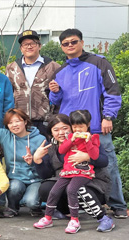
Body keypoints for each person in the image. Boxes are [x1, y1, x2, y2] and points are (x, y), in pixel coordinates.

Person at [49, 28, 127, 218]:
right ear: (61, 47)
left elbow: (113, 91)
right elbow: (55, 102)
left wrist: (108, 116)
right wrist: (55, 92)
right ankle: (73, 205)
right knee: (70, 167)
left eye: (74, 42)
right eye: (66, 43)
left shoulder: (99, 63)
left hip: (96, 129)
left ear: (82, 43)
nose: (70, 46)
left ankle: (117, 205)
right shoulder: (60, 71)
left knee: (107, 166)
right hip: (71, 132)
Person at [33, 114, 115, 233]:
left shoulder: (88, 139)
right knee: (47, 188)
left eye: (65, 128)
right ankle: (57, 214)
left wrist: (88, 157)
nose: (61, 132)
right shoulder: (51, 146)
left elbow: (104, 161)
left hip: (92, 181)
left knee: (76, 189)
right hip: (67, 176)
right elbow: (45, 175)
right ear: (51, 131)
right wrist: (37, 160)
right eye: (56, 130)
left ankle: (102, 217)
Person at [0, 90, 45, 217]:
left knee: (30, 202)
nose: (14, 125)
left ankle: (34, 205)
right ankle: (13, 207)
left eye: (18, 121)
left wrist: (34, 161)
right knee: (14, 187)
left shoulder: (39, 139)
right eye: (10, 123)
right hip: (16, 178)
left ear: (25, 121)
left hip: (35, 179)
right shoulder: (5, 136)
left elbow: (47, 166)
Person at [6, 30, 60, 136]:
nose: (29, 47)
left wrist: (55, 118)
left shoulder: (53, 67)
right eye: (25, 44)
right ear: (21, 48)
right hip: (19, 122)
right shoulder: (12, 68)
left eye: (32, 43)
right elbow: (8, 95)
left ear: (39, 46)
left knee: (44, 151)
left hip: (44, 122)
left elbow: (60, 95)